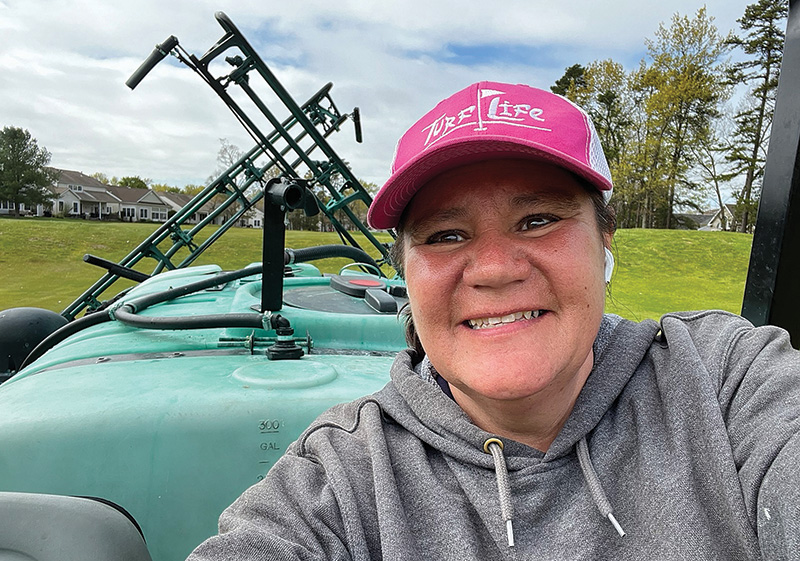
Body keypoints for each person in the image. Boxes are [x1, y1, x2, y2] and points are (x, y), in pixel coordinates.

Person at [187, 82, 800, 560]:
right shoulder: (341, 480)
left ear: (604, 240)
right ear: (405, 272)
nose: (495, 270)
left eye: (537, 220)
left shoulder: (727, 382)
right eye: (446, 235)